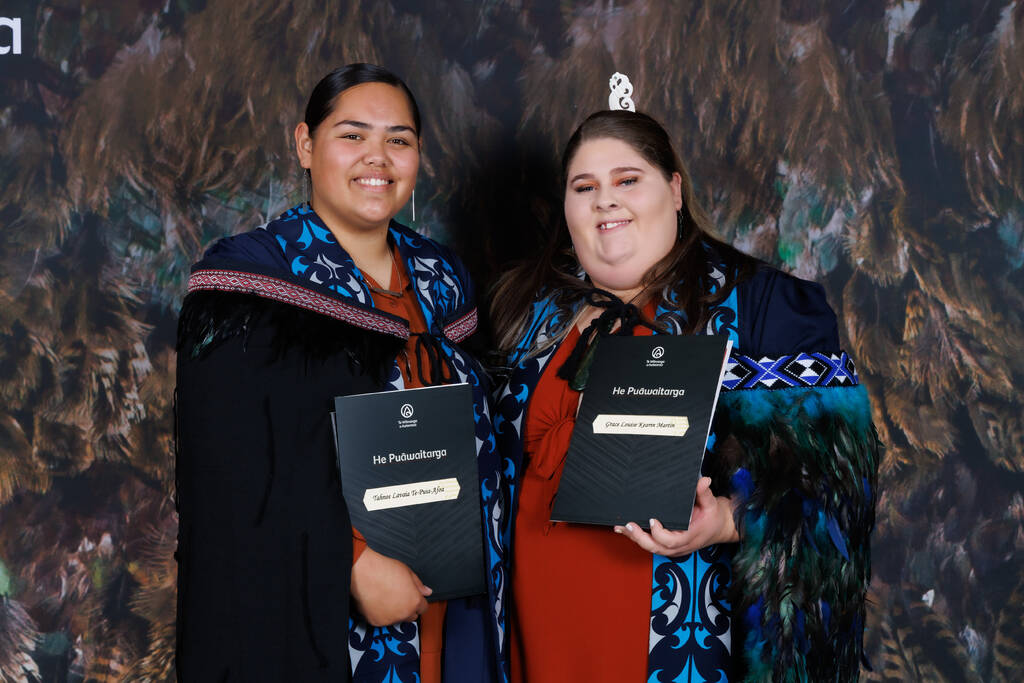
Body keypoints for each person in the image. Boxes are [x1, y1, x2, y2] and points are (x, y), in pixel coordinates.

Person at [490, 110, 880, 682]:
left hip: (684, 648)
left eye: (627, 180)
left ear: (674, 190)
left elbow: (839, 495)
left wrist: (727, 520)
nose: (605, 201)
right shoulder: (521, 311)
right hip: (539, 641)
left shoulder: (765, 308)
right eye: (584, 187)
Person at [175, 64, 507, 683]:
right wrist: (351, 562)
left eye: (399, 140)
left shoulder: (444, 279)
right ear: (305, 144)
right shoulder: (251, 280)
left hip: (456, 599)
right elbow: (229, 472)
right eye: (352, 136)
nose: (376, 158)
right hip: (323, 621)